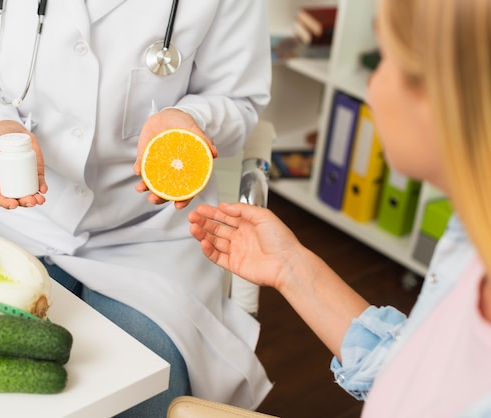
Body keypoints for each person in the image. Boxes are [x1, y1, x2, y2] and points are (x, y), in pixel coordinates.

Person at [0, 0, 273, 416]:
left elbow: (239, 99)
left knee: (146, 388)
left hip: (149, 230)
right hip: (22, 219)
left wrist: (190, 118)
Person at [188, 0, 491, 416]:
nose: (371, 86)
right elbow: (412, 372)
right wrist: (290, 266)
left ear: (445, 94)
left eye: (385, 60)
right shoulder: (468, 241)